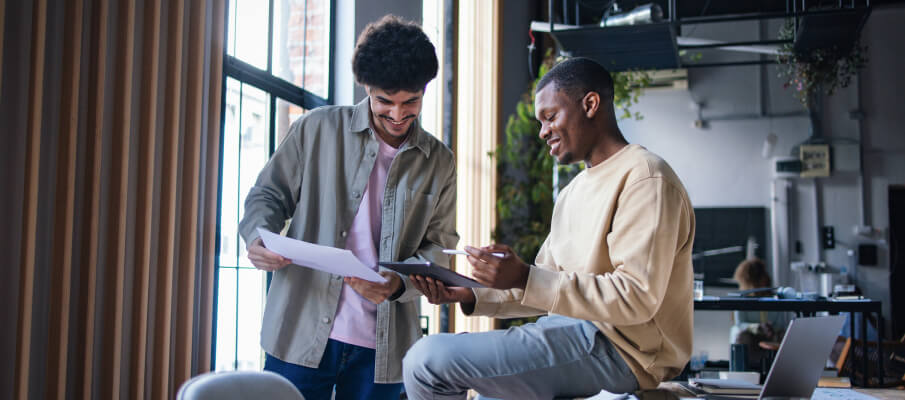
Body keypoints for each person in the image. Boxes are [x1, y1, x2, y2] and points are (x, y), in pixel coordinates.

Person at [403, 57, 696, 399]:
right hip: (571, 332)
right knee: (488, 393)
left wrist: (525, 277)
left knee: (426, 360)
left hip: (624, 353)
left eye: (550, 117)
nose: (542, 132)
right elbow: (545, 283)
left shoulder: (645, 177)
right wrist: (471, 293)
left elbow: (636, 297)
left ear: (590, 104)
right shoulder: (572, 192)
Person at [238, 15, 458, 400]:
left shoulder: (439, 161)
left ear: (425, 91)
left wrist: (398, 285)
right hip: (299, 330)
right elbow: (267, 195)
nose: (397, 115)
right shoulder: (316, 129)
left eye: (411, 103)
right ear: (366, 88)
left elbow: (439, 246)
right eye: (384, 102)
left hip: (384, 350)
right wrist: (258, 235)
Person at [731, 258, 788, 370]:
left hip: (772, 333)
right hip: (752, 335)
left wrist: (771, 329)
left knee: (786, 335)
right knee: (743, 337)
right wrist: (757, 327)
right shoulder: (742, 299)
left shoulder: (775, 298)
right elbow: (740, 324)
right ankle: (744, 372)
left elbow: (780, 323)